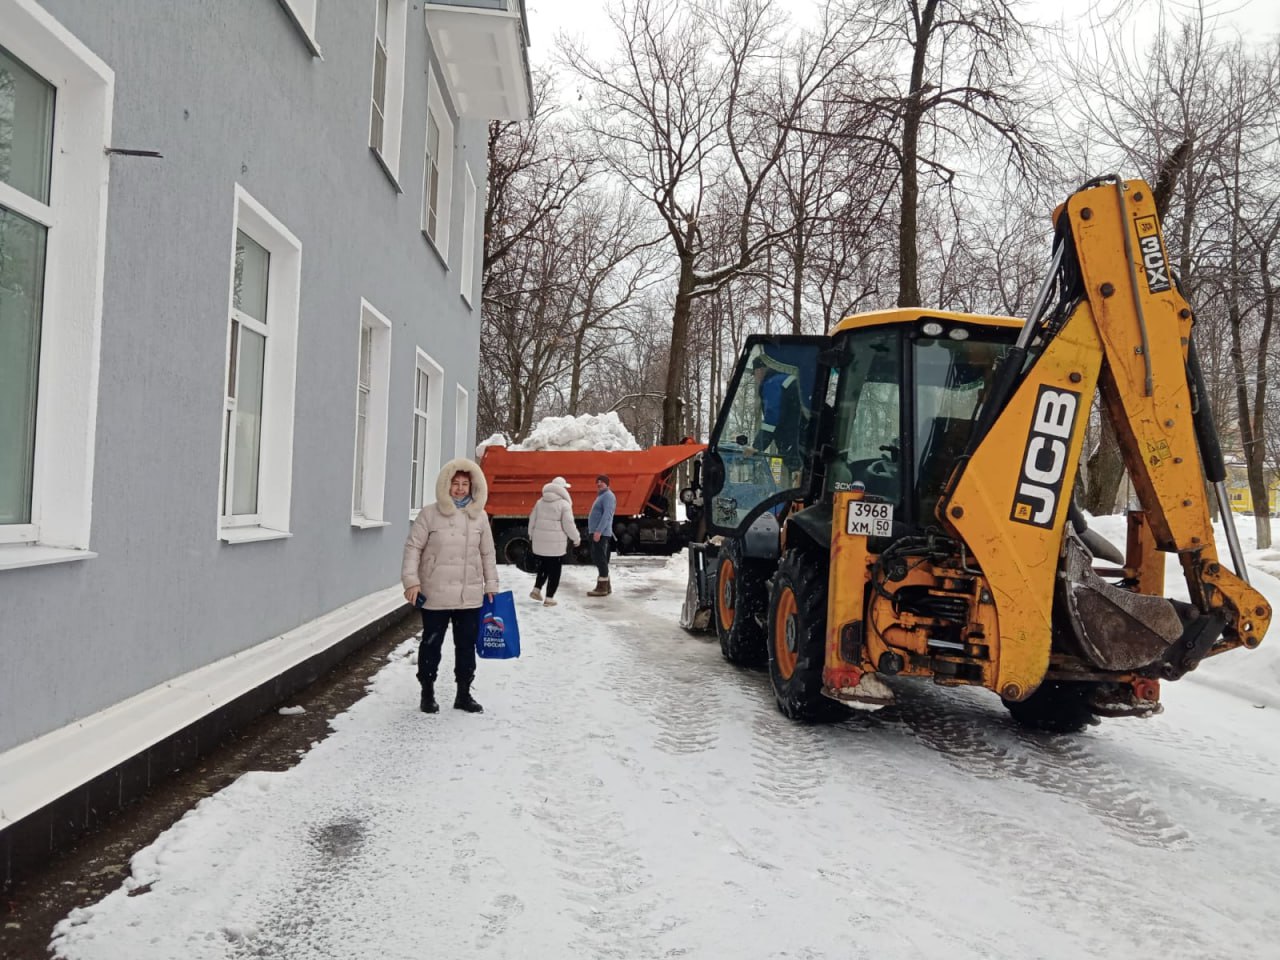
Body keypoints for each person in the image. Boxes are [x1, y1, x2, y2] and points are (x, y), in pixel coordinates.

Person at [402, 458, 499, 715]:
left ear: (473, 486)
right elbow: (413, 548)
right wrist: (412, 582)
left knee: (466, 646)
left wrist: (492, 584)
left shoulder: (479, 517)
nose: (459, 489)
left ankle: (464, 694)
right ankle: (427, 692)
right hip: (435, 592)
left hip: (469, 595)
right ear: (446, 485)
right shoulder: (430, 514)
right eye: (454, 483)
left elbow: (488, 553)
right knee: (431, 643)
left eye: (464, 484)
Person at [528, 475, 581, 607]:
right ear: (562, 489)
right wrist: (576, 538)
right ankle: (549, 598)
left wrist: (531, 535)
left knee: (544, 566)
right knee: (555, 571)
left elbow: (532, 520)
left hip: (540, 543)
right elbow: (569, 524)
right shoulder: (564, 504)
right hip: (555, 545)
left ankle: (536, 589)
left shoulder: (540, 502)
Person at [748, 354, 804, 470]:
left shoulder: (772, 384)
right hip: (804, 435)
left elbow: (772, 419)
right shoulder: (786, 378)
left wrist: (757, 447)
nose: (755, 378)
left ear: (760, 370)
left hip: (794, 440)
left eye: (754, 374)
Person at [586, 474, 616, 597]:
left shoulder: (608, 496)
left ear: (607, 484)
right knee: (598, 557)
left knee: (599, 558)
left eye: (602, 482)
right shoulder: (602, 496)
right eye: (597, 482)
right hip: (598, 531)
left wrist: (598, 531)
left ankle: (602, 587)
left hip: (601, 532)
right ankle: (606, 586)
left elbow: (607, 515)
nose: (599, 484)